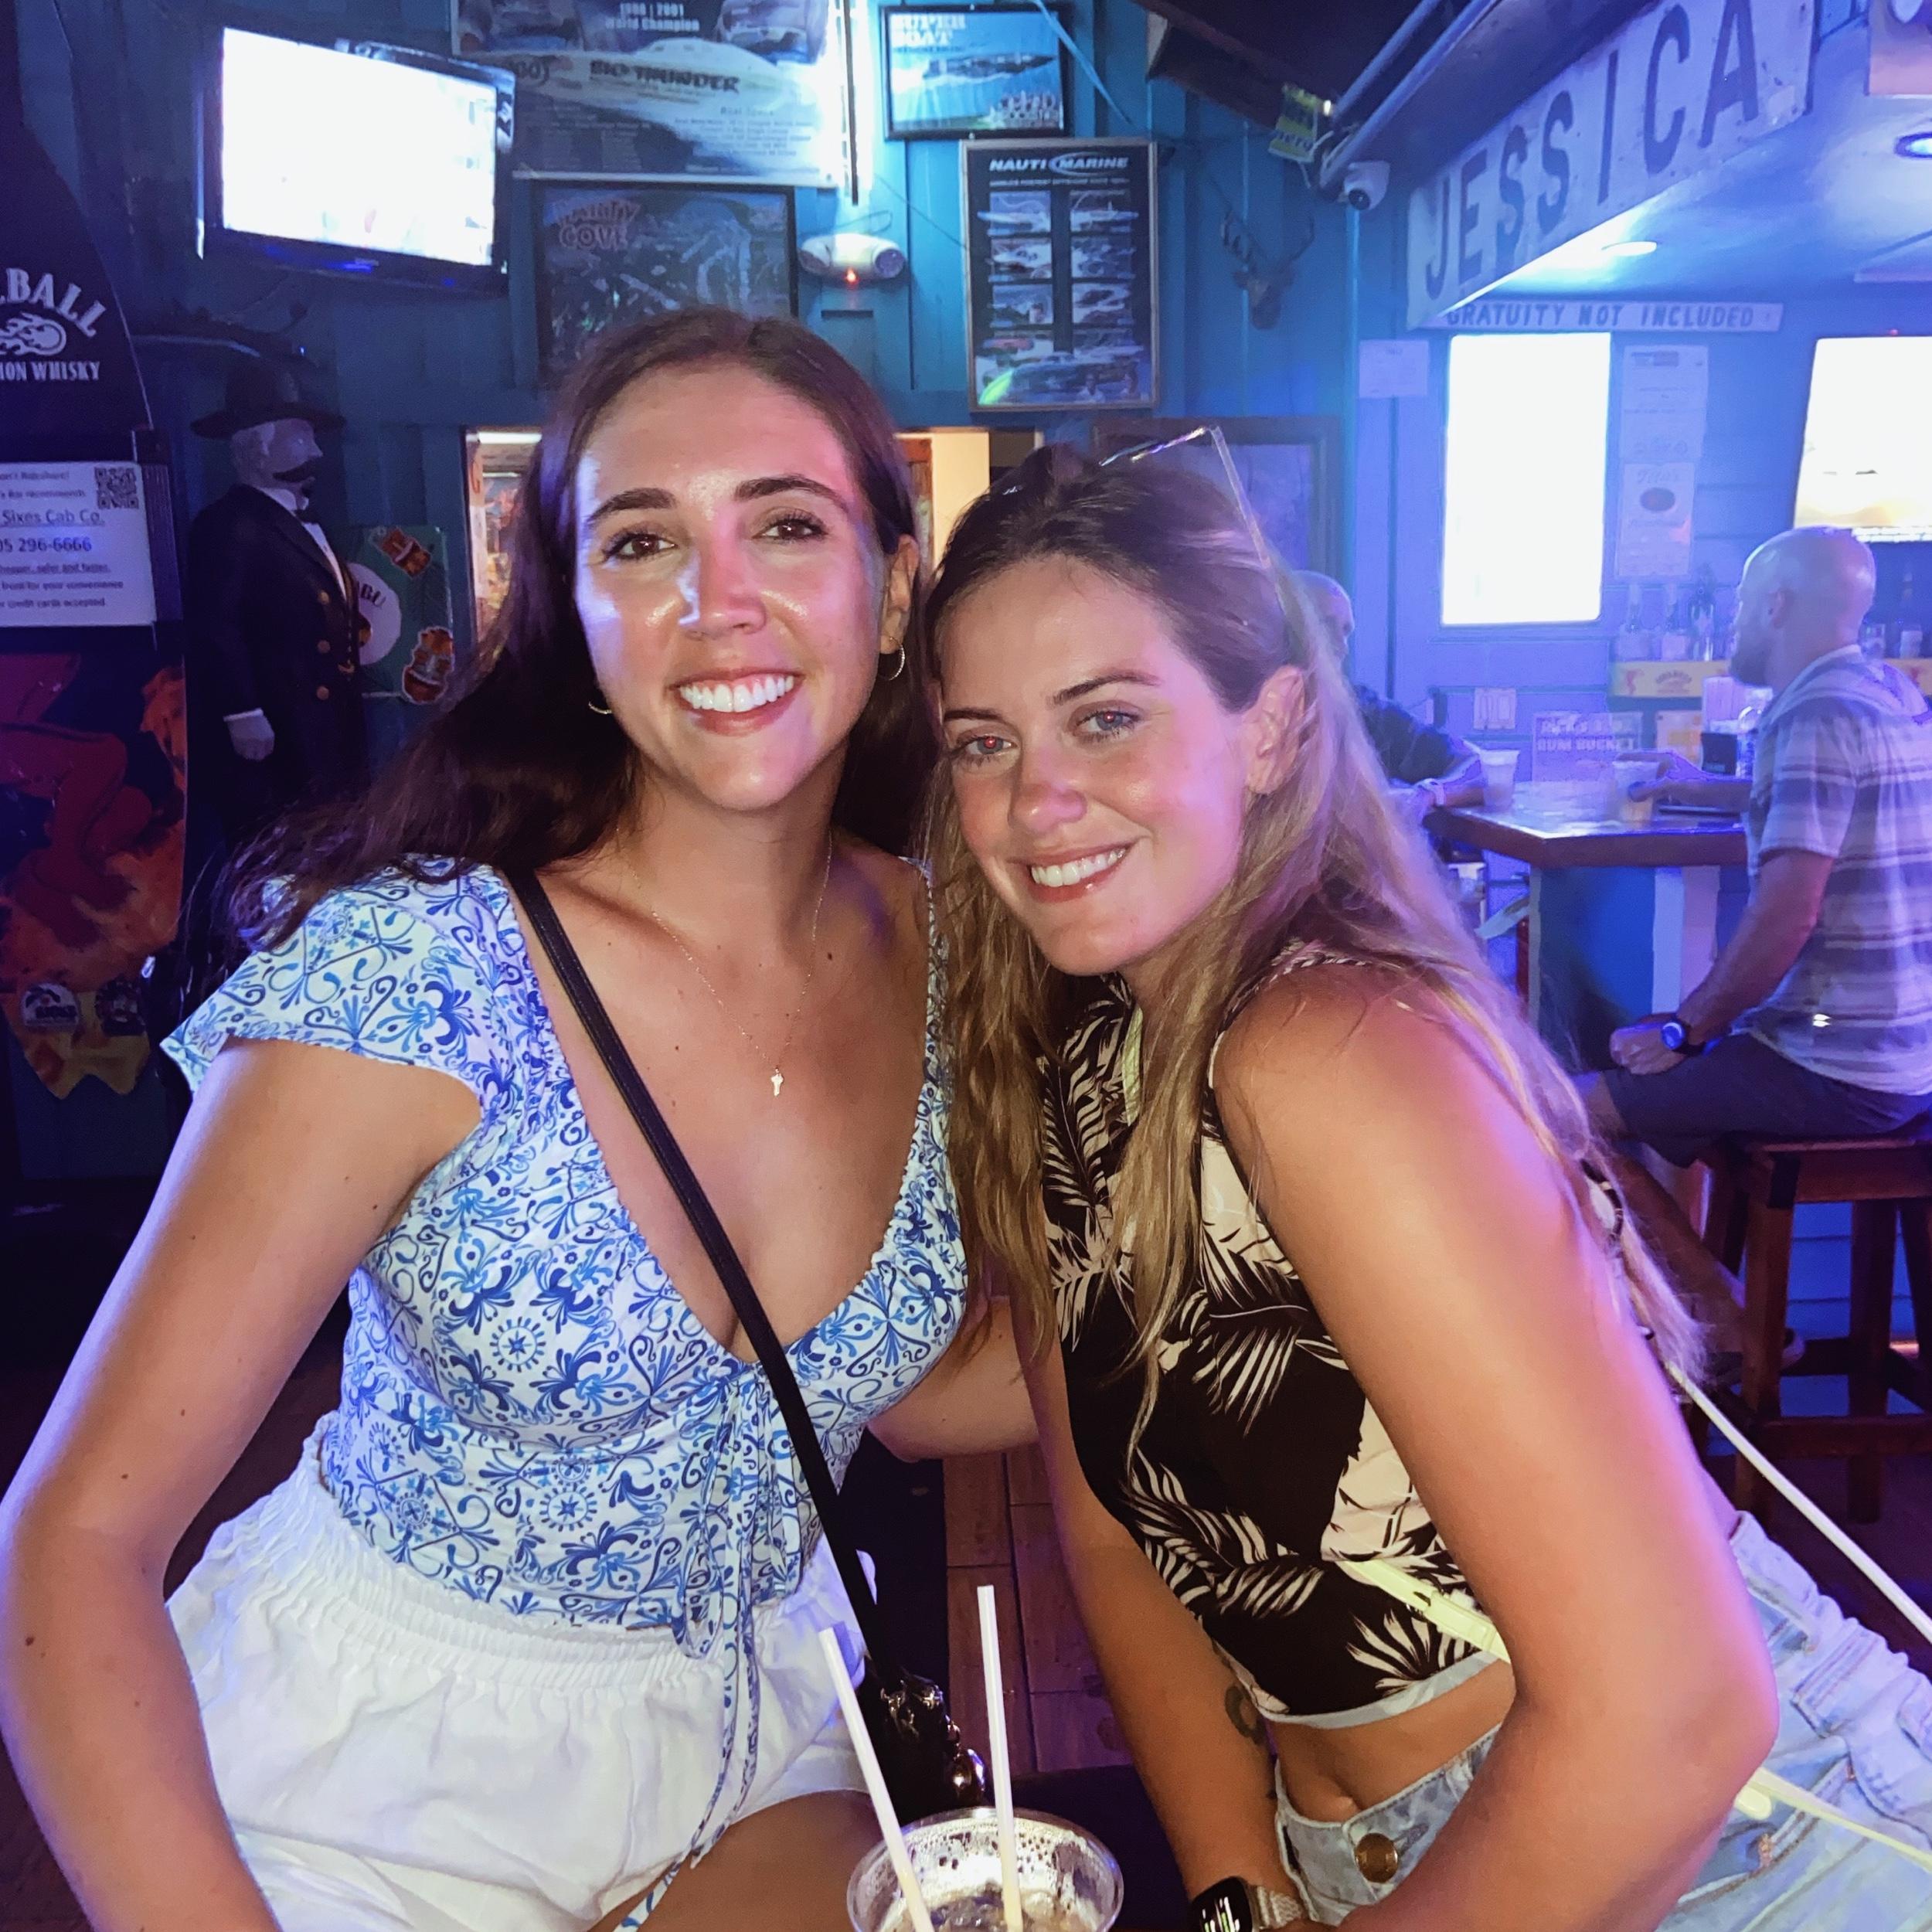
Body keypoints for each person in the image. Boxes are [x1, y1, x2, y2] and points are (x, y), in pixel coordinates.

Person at [0, 309, 1031, 1932]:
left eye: (785, 525)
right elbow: (69, 1538)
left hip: (769, 1744)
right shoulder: (420, 969)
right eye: (642, 541)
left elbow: (893, 1382)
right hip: (373, 1797)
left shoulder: (960, 949)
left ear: (893, 585)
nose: (718, 601)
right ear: (572, 610)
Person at [923, 447, 1932, 1930]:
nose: (1036, 800)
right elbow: (1119, 1530)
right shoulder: (1082, 1063)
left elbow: (1669, 1723)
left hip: (1741, 1856)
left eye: (1107, 719)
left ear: (1271, 727)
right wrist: (1242, 1894)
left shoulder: (1326, 1050)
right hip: (1387, 1863)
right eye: (982, 743)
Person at [1580, 526, 1932, 1165]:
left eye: (1740, 603)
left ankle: (1657, 1238)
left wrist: (1685, 1031)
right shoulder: (1891, 692)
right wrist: (1703, 787)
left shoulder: (1811, 712)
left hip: (1831, 1061)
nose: (1733, 622)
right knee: (1666, 1075)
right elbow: (1843, 799)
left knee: (1560, 1109)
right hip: (1908, 1054)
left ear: (1776, 605)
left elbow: (1787, 916)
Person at [185, 359, 367, 850]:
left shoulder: (301, 520)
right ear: (257, 448)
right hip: (283, 722)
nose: (317, 451)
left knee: (328, 837)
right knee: (279, 846)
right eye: (300, 437)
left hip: (324, 719)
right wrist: (242, 712)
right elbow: (216, 626)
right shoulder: (229, 524)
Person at [1294, 570, 1482, 818]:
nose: (1341, 647)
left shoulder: (1364, 709)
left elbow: (1478, 766)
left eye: (1346, 631)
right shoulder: (1251, 715)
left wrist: (1427, 794)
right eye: (1326, 627)